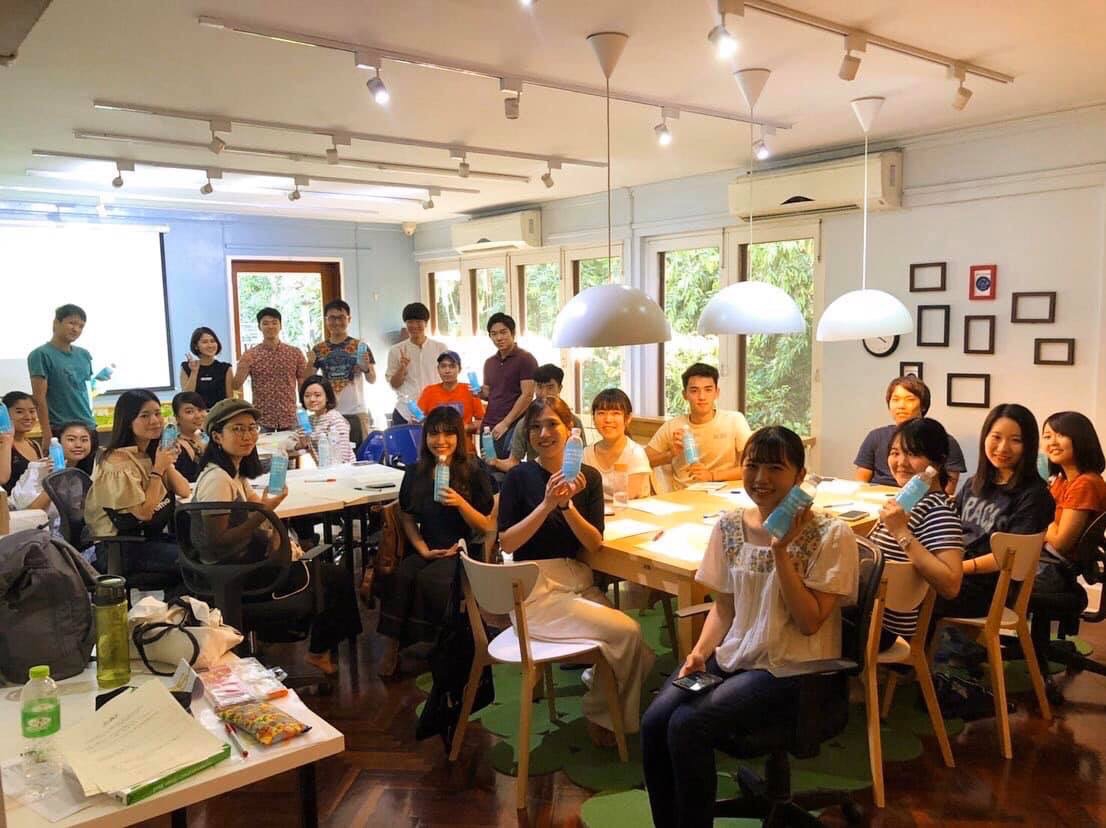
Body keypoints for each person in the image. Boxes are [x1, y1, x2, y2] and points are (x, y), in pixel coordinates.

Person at [641, 426, 859, 828]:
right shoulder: (728, 526)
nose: (761, 478)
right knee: (655, 722)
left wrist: (781, 550)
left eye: (775, 468)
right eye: (752, 465)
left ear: (800, 476)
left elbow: (809, 622)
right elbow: (724, 607)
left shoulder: (831, 534)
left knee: (687, 726)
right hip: (736, 655)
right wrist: (700, 652)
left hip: (792, 669)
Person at [498, 396, 654, 747]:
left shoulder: (589, 478)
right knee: (629, 634)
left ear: (570, 430)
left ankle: (598, 696)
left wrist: (567, 505)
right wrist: (547, 504)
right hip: (535, 590)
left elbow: (594, 543)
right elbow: (507, 542)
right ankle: (605, 716)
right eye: (535, 427)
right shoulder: (519, 477)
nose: (543, 433)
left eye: (552, 424)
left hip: (578, 583)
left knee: (643, 655)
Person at [191, 398, 362, 676]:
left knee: (331, 575)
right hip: (237, 574)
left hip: (244, 566)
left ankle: (318, 648)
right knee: (334, 578)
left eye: (252, 428)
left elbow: (256, 508)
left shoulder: (233, 473)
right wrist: (267, 512)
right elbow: (217, 541)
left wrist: (267, 511)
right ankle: (319, 651)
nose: (247, 435)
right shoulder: (218, 479)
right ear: (217, 436)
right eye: (237, 429)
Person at [377, 406, 495, 675]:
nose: (441, 441)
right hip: (428, 545)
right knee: (401, 576)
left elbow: (486, 525)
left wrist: (460, 503)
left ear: (459, 437)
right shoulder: (415, 471)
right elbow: (407, 516)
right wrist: (422, 549)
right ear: (425, 437)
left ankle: (437, 643)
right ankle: (392, 646)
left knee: (432, 580)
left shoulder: (473, 471)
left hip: (463, 548)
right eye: (434, 434)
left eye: (448, 434)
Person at [939, 403, 1054, 620]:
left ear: (1029, 446)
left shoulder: (1034, 496)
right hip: (956, 573)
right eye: (996, 437)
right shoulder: (974, 484)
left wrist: (958, 568)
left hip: (989, 590)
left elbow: (1010, 556)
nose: (1002, 448)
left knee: (914, 592)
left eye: (1015, 440)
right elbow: (949, 529)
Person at [867, 418, 964, 649]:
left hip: (883, 629)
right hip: (868, 615)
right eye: (895, 453)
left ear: (937, 462)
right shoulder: (907, 501)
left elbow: (951, 585)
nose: (901, 462)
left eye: (912, 454)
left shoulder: (938, 511)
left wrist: (901, 532)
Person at [83, 389, 190, 593]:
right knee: (196, 567)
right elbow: (144, 513)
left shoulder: (147, 453)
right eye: (144, 415)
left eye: (157, 413)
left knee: (205, 553)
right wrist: (158, 469)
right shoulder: (116, 462)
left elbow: (184, 491)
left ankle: (178, 607)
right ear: (127, 421)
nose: (155, 421)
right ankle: (175, 610)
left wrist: (165, 461)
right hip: (121, 548)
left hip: (149, 539)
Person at [1035, 411, 1106, 610]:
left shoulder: (1085, 484)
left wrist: (1038, 519)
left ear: (1080, 438)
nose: (1052, 442)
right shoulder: (1062, 481)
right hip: (1042, 561)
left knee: (982, 581)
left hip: (1052, 569)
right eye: (1047, 436)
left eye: (1061, 435)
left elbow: (1060, 542)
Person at [854, 376, 967, 496]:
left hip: (920, 501)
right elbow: (861, 482)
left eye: (910, 399)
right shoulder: (876, 436)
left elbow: (947, 491)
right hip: (875, 499)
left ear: (923, 405)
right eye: (895, 399)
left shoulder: (943, 440)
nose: (901, 406)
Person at [645, 363, 751, 488]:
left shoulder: (734, 420)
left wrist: (712, 476)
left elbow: (750, 467)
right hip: (682, 494)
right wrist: (670, 454)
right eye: (694, 391)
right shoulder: (672, 426)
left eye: (708, 390)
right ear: (685, 394)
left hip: (724, 492)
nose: (702, 397)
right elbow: (641, 461)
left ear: (717, 393)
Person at [9, 420, 98, 537]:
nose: (78, 445)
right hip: (37, 536)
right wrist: (54, 482)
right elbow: (29, 513)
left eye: (84, 440)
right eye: (71, 439)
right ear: (58, 443)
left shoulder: (88, 470)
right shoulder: (39, 469)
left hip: (71, 535)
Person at [307, 300, 376, 448]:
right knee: (328, 455)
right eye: (332, 318)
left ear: (349, 319)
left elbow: (372, 379)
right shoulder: (319, 349)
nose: (337, 322)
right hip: (328, 414)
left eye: (341, 317)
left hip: (356, 412)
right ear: (326, 320)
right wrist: (309, 362)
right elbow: (309, 381)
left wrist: (365, 368)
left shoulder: (360, 346)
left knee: (358, 456)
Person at [491, 363, 583, 474]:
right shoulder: (524, 423)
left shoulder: (574, 421)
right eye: (539, 387)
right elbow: (513, 462)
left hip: (567, 476)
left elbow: (582, 459)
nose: (544, 393)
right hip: (535, 478)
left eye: (550, 387)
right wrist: (495, 462)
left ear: (559, 388)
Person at [28, 303, 95, 446]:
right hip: (61, 427)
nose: (76, 329)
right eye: (71, 323)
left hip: (88, 426)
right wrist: (46, 433)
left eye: (81, 326)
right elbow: (39, 398)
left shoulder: (84, 354)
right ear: (56, 323)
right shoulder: (41, 354)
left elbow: (85, 390)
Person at [233, 307, 309, 431]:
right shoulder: (251, 355)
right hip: (262, 419)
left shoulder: (295, 353)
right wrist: (242, 365)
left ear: (280, 325)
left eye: (274, 322)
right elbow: (236, 385)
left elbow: (303, 382)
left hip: (289, 416)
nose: (270, 326)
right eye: (265, 323)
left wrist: (305, 406)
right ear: (259, 327)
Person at [481, 313, 538, 459]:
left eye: (503, 332)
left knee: (506, 466)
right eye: (494, 334)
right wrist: (479, 392)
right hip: (489, 425)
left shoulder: (526, 359)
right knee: (487, 465)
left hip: (512, 425)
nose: (499, 338)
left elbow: (527, 395)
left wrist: (505, 423)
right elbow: (488, 394)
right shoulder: (489, 362)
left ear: (513, 333)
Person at [583, 388, 651, 502]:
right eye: (601, 413)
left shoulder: (635, 453)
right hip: (596, 512)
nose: (608, 419)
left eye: (615, 413)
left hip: (630, 511)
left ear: (628, 418)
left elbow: (625, 500)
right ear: (593, 418)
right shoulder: (586, 453)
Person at [386, 302, 448, 426]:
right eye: (410, 322)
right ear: (406, 324)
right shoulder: (396, 350)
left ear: (426, 323)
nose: (414, 326)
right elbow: (394, 384)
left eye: (419, 321)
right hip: (405, 412)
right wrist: (402, 368)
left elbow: (448, 378)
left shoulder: (440, 348)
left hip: (434, 411)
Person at [416, 350, 485, 450]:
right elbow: (418, 420)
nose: (447, 370)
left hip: (464, 449)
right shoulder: (429, 391)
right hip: (437, 449)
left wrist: (464, 428)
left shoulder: (470, 390)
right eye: (443, 366)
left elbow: (482, 421)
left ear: (459, 369)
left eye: (452, 366)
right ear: (438, 369)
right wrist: (416, 419)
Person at [298, 375, 353, 465]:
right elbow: (311, 450)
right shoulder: (310, 420)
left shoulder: (336, 420)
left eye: (317, 395)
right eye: (307, 396)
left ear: (327, 397)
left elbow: (343, 457)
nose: (312, 399)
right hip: (323, 469)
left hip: (342, 470)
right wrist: (303, 444)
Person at [0, 391, 45, 496]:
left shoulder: (34, 445)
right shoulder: (3, 444)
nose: (28, 417)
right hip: (9, 503)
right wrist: (7, 440)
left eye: (32, 411)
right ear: (4, 414)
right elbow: (2, 479)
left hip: (33, 502)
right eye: (19, 412)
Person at [180, 326, 233, 409]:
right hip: (196, 414)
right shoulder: (187, 367)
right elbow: (186, 399)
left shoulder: (225, 368)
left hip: (219, 413)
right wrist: (194, 372)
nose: (210, 345)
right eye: (205, 342)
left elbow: (229, 400)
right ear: (196, 346)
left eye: (213, 341)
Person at [171, 391, 208, 483]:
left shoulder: (205, 436)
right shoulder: (173, 446)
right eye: (189, 412)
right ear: (177, 417)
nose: (198, 416)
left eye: (200, 409)